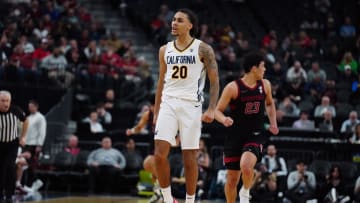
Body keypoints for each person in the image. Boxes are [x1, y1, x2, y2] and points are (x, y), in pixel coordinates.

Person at [153, 8, 220, 203]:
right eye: (173, 20)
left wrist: (212, 108)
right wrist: (157, 111)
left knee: (189, 159)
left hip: (191, 105)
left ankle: (190, 201)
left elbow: (214, 81)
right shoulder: (164, 50)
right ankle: (167, 199)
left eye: (179, 20)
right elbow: (160, 82)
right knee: (159, 154)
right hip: (169, 103)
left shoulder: (203, 49)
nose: (174, 23)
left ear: (190, 25)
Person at [214, 52, 279, 203]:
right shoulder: (233, 87)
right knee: (231, 180)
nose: (265, 69)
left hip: (255, 134)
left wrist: (273, 122)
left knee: (246, 166)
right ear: (253, 68)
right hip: (235, 136)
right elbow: (216, 111)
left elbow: (269, 104)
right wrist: (224, 119)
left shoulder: (265, 85)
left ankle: (245, 193)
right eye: (262, 66)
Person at [0, 90, 29, 202]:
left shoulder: (15, 110)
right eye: (2, 101)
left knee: (9, 167)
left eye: (7, 101)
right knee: (1, 169)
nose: (5, 103)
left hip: (12, 144)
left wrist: (23, 137)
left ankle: (9, 194)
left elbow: (26, 121)